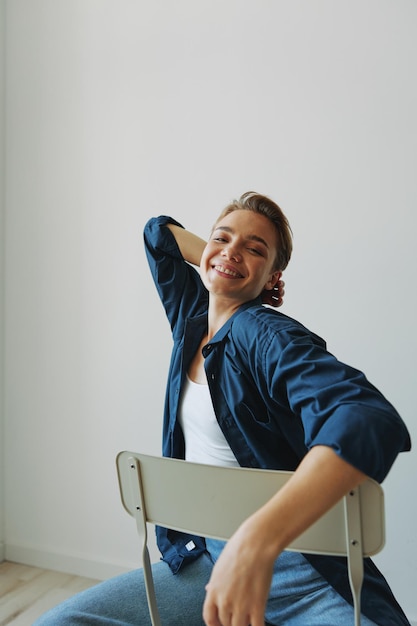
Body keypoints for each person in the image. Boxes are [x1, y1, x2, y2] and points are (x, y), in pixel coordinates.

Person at [35, 192, 411, 626]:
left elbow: (365, 417)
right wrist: (226, 258)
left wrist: (258, 539)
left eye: (256, 248)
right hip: (211, 562)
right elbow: (158, 235)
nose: (233, 249)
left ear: (276, 278)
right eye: (222, 237)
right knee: (61, 621)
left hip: (305, 582)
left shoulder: (264, 332)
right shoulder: (193, 319)